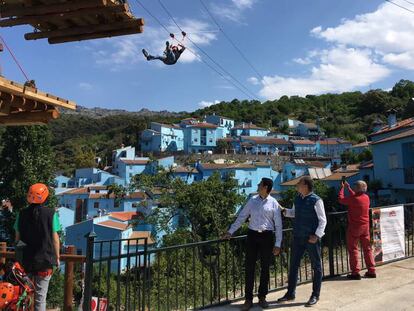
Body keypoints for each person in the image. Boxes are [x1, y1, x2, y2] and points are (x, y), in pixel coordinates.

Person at [222, 178, 283, 310]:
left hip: (267, 236)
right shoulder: (252, 201)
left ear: (265, 187)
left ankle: (262, 297)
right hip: (252, 235)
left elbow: (278, 225)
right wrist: (230, 231)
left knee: (265, 268)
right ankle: (248, 299)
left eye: (260, 184)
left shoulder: (274, 203)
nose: (257, 186)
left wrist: (278, 244)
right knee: (249, 268)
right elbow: (242, 217)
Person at [277, 176, 327, 307]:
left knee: (316, 267)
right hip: (298, 237)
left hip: (311, 238)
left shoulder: (317, 200)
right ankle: (290, 294)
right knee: (293, 265)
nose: (297, 185)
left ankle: (315, 295)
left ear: (305, 185)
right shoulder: (298, 198)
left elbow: (323, 220)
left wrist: (316, 235)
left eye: (299, 183)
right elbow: (294, 213)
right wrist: (284, 211)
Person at [14, 183, 61, 311]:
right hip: (45, 260)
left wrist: (19, 257)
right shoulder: (51, 214)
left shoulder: (21, 214)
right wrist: (57, 256)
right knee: (41, 299)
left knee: (24, 296)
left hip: (25, 261)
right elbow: (55, 238)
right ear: (45, 196)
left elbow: (17, 239)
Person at [339, 180, 376, 279]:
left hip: (355, 227)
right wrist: (349, 188)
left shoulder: (353, 199)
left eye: (355, 186)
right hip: (365, 227)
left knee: (353, 249)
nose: (354, 188)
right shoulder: (366, 198)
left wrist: (342, 188)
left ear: (358, 188)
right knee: (367, 249)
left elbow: (341, 199)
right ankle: (371, 270)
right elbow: (355, 196)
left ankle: (355, 273)